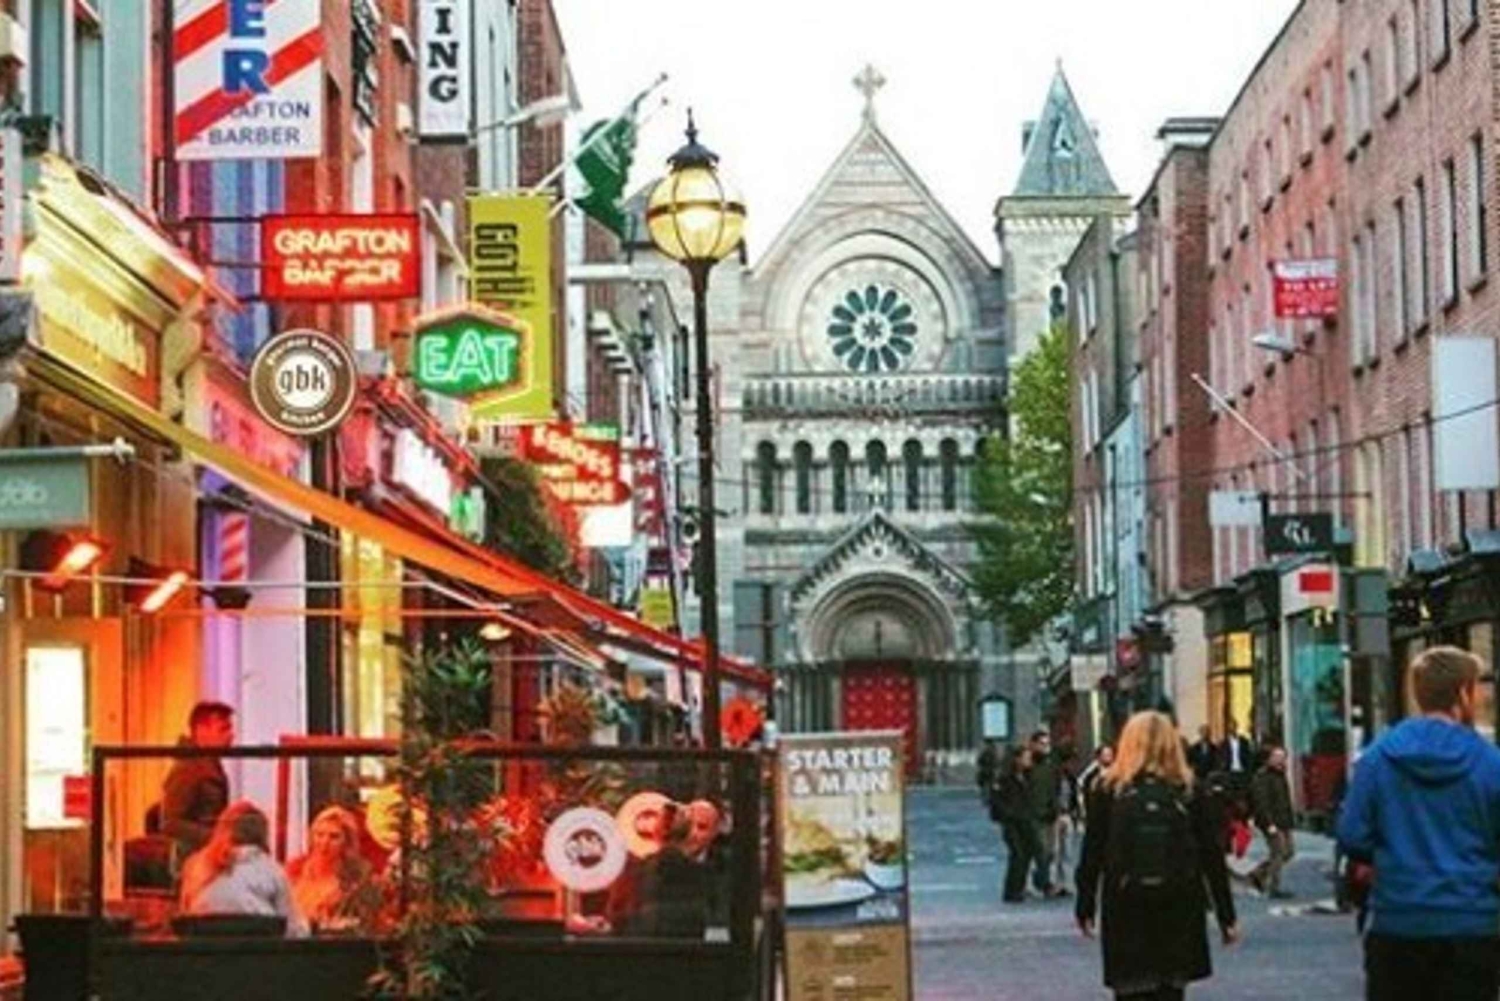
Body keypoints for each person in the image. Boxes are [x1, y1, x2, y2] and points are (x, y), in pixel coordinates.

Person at [1337, 646, 1500, 1001]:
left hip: (1398, 920)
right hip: (1471, 922)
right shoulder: (1489, 762)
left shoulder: (1379, 757)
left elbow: (1352, 834)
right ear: (1463, 693)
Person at [1075, 711, 1239, 1001]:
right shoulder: (1188, 790)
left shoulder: (1107, 790)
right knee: (1171, 990)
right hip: (1178, 904)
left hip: (1126, 905)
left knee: (1132, 989)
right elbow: (1211, 857)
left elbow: (1093, 853)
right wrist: (1226, 915)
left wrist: (1085, 904)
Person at [180, 801, 308, 938]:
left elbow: (186, 914)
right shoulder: (270, 870)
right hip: (256, 952)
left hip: (203, 952)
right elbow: (294, 928)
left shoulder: (196, 865)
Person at [287, 806, 381, 933]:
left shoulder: (359, 878)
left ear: (347, 842)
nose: (324, 842)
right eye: (319, 835)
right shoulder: (294, 869)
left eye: (334, 837)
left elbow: (364, 922)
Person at [161, 701, 235, 857]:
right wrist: (214, 837)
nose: (231, 735)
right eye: (223, 729)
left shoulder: (207, 765)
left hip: (207, 854)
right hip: (195, 858)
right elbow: (170, 823)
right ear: (202, 730)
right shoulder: (188, 768)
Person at [990, 745, 1040, 904]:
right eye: (1026, 757)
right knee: (1017, 854)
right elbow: (997, 800)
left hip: (1025, 820)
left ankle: (1020, 887)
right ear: (1017, 759)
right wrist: (1009, 814)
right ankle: (1011, 890)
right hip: (1011, 822)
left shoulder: (1028, 776)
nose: (1029, 761)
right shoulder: (1004, 778)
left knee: (1027, 853)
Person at [1248, 746, 1295, 899]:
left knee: (1289, 852)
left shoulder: (1281, 775)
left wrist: (1290, 820)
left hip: (1284, 821)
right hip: (1272, 822)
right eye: (1277, 756)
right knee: (1278, 853)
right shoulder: (1262, 777)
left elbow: (1286, 800)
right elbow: (1261, 803)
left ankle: (1258, 874)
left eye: (1282, 757)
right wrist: (1269, 824)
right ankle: (1274, 887)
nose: (1280, 760)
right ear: (1269, 759)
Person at [1026, 730, 1066, 897]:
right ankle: (1044, 884)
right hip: (1033, 813)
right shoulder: (1028, 764)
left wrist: (1060, 808)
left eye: (1047, 744)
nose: (1045, 747)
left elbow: (1057, 787)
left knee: (1050, 851)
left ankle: (1040, 878)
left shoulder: (1052, 764)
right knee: (1041, 850)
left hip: (1050, 812)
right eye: (1042, 744)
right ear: (1033, 744)